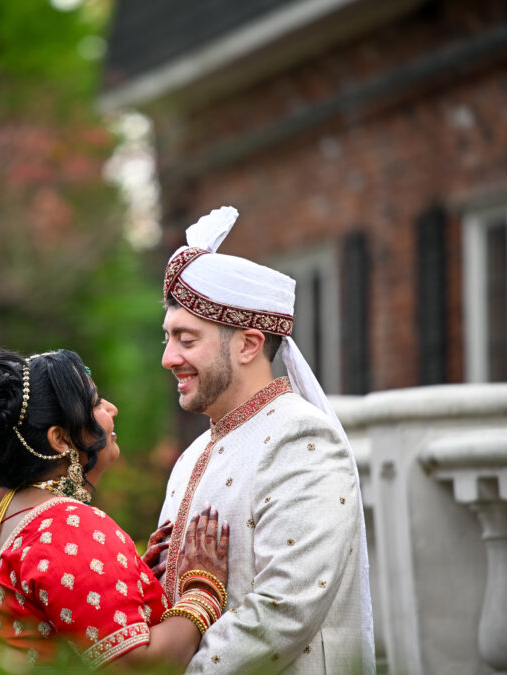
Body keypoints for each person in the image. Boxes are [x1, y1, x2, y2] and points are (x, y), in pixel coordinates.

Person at [157, 207, 375, 675]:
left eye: (186, 339)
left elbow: (284, 611)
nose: (169, 358)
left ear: (249, 344)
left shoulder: (302, 439)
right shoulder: (193, 455)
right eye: (167, 338)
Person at [0, 349, 230, 671]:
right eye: (95, 403)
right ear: (61, 439)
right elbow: (139, 668)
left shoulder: (1, 525)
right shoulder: (70, 527)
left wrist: (134, 581)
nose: (112, 409)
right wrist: (202, 588)